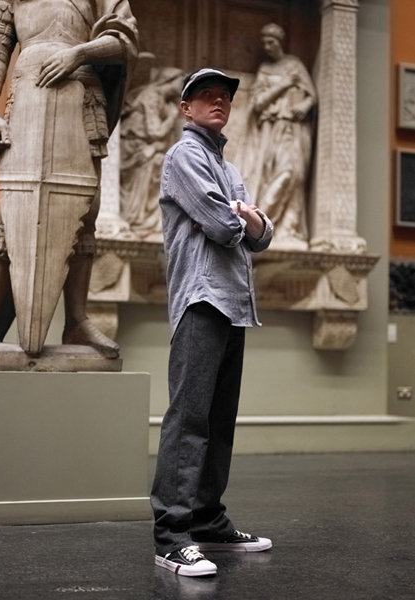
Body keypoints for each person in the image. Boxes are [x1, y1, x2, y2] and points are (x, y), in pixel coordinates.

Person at [151, 68, 274, 578]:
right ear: (186, 107)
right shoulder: (184, 156)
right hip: (201, 300)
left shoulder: (230, 168)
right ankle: (171, 535)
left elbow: (263, 236)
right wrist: (243, 214)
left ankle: (207, 521)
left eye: (224, 95)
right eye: (206, 95)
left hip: (234, 303)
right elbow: (226, 226)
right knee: (189, 419)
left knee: (219, 421)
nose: (218, 101)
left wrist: (246, 216)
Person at [0, 0, 139, 355]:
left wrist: (79, 54)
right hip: (26, 101)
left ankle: (76, 321)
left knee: (86, 212)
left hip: (82, 98)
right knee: (7, 216)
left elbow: (125, 40)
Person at [240, 23, 316, 248]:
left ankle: (274, 225)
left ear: (279, 42)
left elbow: (312, 95)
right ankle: (260, 224)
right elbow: (258, 103)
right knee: (273, 175)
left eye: (271, 42)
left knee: (293, 173)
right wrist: (284, 85)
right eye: (264, 43)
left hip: (293, 128)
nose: (267, 46)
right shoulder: (265, 70)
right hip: (270, 130)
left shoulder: (295, 65)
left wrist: (304, 105)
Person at [120, 67, 183, 240]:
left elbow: (167, 141)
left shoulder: (165, 102)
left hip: (144, 147)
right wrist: (171, 118)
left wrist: (154, 147)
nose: (182, 85)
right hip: (132, 147)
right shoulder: (151, 95)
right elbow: (155, 131)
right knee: (152, 163)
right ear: (169, 80)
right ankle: (134, 218)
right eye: (181, 81)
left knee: (164, 164)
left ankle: (150, 220)